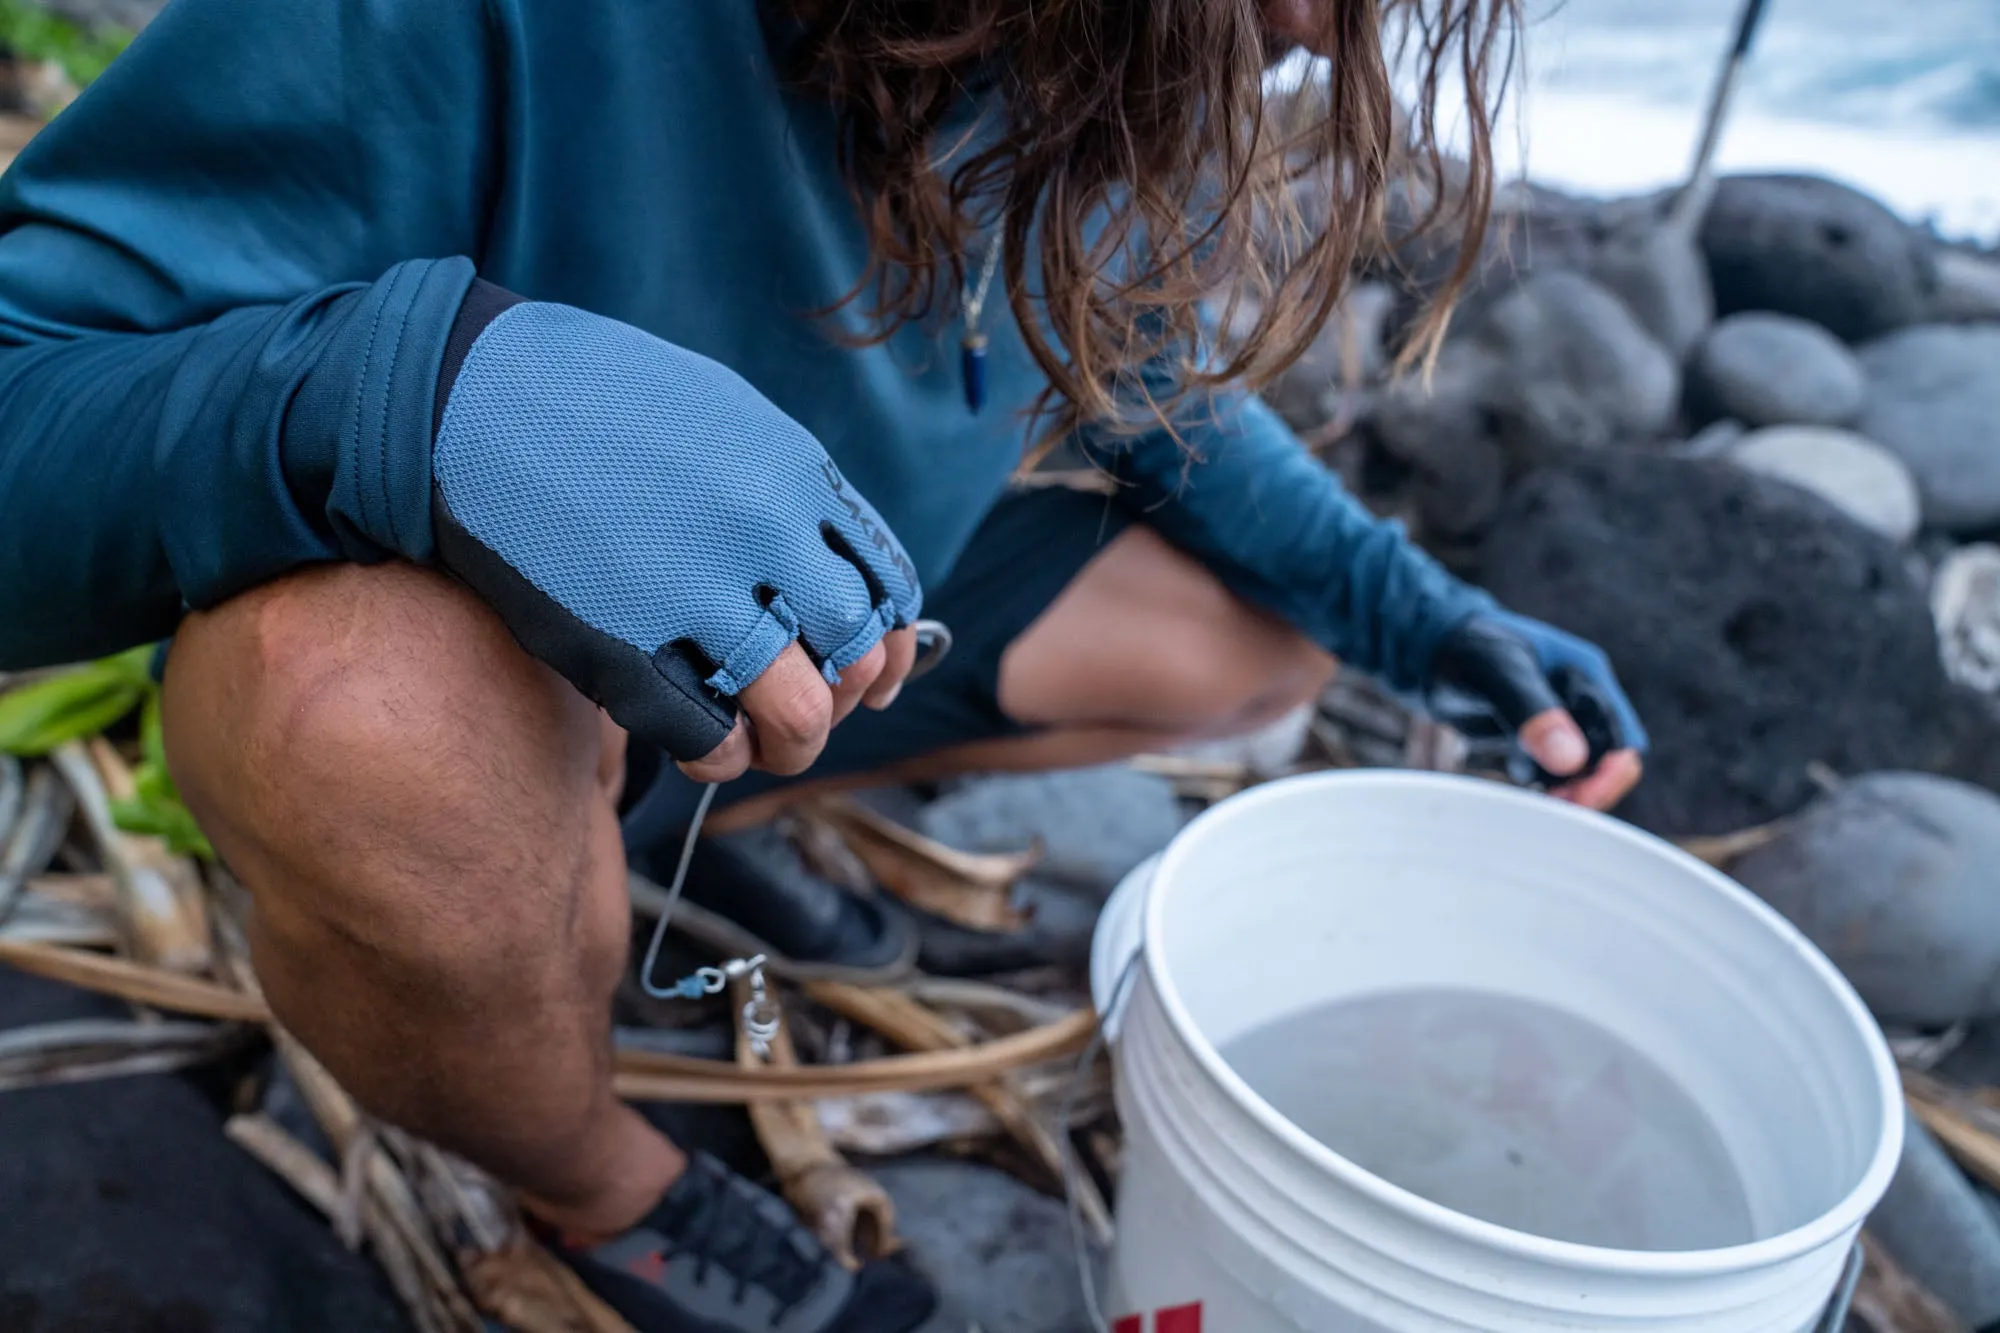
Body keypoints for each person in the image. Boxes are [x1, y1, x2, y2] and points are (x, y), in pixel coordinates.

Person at [0, 0, 1646, 1328]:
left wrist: (1423, 616)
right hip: (491, 663)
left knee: (1259, 648)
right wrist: (409, 389)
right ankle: (593, 1181)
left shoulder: (1110, 64)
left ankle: (724, 821)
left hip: (837, 602)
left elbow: (1141, 362)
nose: (1312, 27)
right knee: (353, 709)